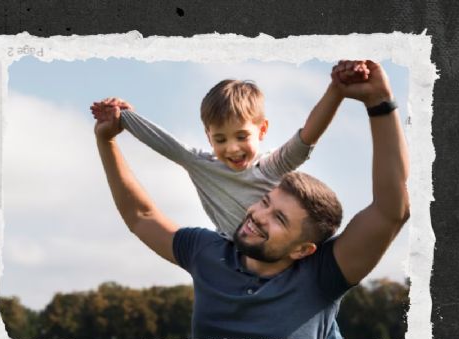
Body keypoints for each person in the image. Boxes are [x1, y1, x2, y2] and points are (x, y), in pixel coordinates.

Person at [92, 60, 409, 339]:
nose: (257, 215)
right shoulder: (207, 253)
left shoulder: (322, 275)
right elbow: (141, 216)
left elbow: (391, 210)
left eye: (280, 219)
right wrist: (106, 140)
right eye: (265, 201)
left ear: (303, 249)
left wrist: (379, 103)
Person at [90, 61, 369, 240]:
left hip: (293, 262)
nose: (232, 148)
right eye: (220, 139)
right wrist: (121, 116)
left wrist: (337, 89)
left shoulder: (270, 167)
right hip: (239, 261)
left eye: (242, 136)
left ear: (261, 131)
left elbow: (307, 136)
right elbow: (163, 142)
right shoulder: (202, 165)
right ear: (208, 137)